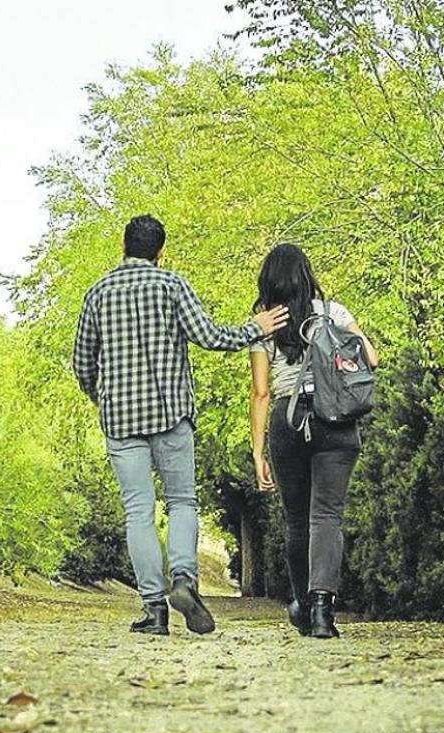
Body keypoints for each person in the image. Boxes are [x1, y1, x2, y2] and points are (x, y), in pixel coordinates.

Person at [73, 215, 289, 636]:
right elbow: (209, 336)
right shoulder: (172, 285)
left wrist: (104, 398)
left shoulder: (97, 294)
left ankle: (154, 610)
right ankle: (185, 582)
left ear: (123, 248)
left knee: (138, 510)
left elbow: (82, 363)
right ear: (160, 252)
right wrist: (256, 329)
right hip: (171, 414)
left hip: (121, 421)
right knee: (181, 503)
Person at [248, 243, 380, 639]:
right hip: (335, 420)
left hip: (289, 421)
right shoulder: (334, 313)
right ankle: (323, 609)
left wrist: (257, 452)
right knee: (327, 516)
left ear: (268, 281)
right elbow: (370, 359)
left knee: (297, 519)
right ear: (308, 275)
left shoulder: (262, 323)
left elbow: (260, 392)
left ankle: (302, 606)